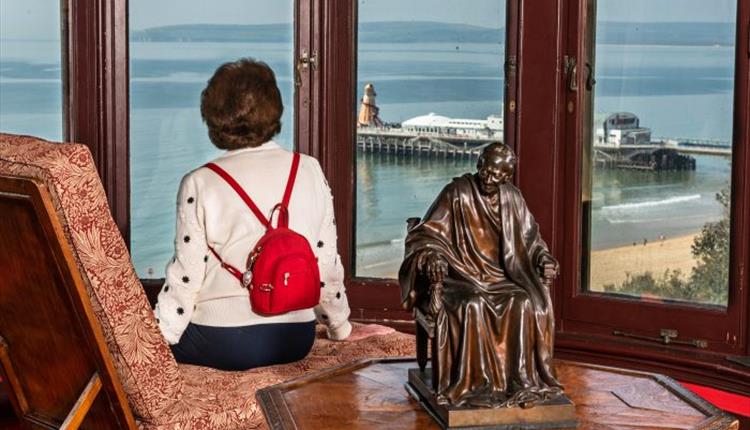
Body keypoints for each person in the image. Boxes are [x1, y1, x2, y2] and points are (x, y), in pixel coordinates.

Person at [154, 58, 351, 371]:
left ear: (214, 117)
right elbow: (325, 262)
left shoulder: (199, 181)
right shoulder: (309, 169)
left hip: (224, 342)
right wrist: (340, 326)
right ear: (274, 109)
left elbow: (186, 275)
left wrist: (161, 337)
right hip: (295, 339)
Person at [399, 142, 563, 408]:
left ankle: (516, 381)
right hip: (461, 275)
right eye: (485, 170)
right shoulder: (457, 192)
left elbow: (532, 240)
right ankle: (473, 383)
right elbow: (427, 235)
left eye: (496, 175)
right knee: (472, 304)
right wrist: (433, 257)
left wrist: (542, 257)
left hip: (503, 276)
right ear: (478, 165)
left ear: (506, 176)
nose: (488, 178)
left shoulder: (513, 198)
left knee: (523, 303)